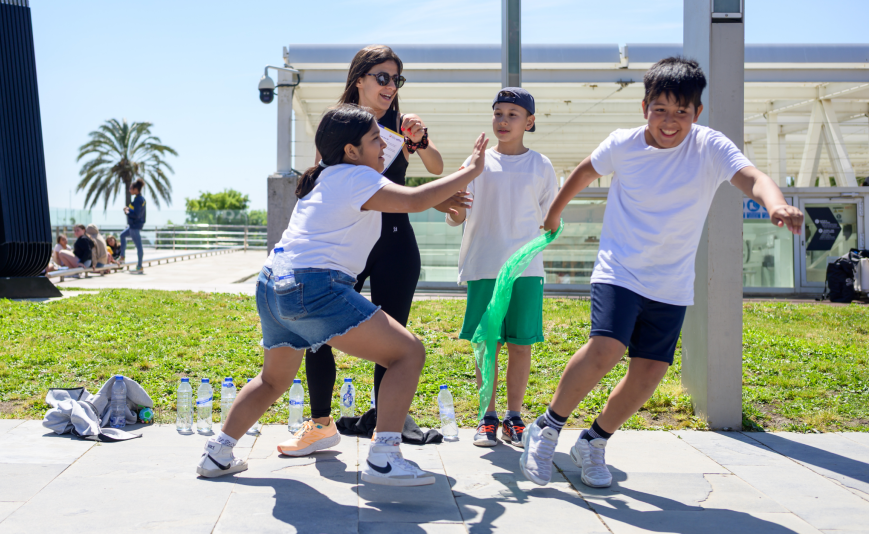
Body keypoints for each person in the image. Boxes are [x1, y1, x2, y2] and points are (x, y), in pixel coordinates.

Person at [520, 57, 803, 489]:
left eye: (681, 112)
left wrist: (775, 204)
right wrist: (554, 213)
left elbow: (752, 178)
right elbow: (584, 171)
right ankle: (547, 428)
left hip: (671, 280)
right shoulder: (623, 143)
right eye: (660, 110)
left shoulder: (710, 146)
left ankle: (593, 442)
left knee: (649, 372)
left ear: (697, 112)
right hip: (619, 268)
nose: (670, 122)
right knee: (606, 348)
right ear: (644, 107)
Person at [195, 105, 489, 486]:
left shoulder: (325, 175)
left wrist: (440, 196)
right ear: (351, 150)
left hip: (271, 284)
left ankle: (217, 454)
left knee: (272, 380)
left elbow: (404, 197)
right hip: (313, 286)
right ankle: (384, 457)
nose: (384, 146)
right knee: (408, 353)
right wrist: (471, 170)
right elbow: (413, 201)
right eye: (375, 140)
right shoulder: (357, 176)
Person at [278, 44, 469, 457]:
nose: (390, 85)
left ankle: (387, 430)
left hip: (395, 243)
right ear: (359, 78)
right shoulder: (338, 123)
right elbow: (331, 185)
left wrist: (421, 140)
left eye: (396, 79)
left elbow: (433, 169)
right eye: (382, 77)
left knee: (394, 341)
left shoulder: (401, 124)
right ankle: (320, 425)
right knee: (318, 334)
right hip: (346, 248)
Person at [445, 87, 557, 448]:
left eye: (512, 114)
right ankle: (487, 418)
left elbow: (551, 219)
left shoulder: (541, 165)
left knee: (521, 345)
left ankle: (514, 417)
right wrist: (453, 206)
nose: (503, 121)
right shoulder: (477, 161)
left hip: (526, 271)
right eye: (498, 113)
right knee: (487, 344)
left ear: (530, 121)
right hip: (484, 265)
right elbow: (457, 214)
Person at [120, 179, 146, 272]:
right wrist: (128, 209)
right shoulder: (139, 198)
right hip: (133, 226)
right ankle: (122, 257)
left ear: (136, 189)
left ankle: (139, 266)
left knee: (139, 246)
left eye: (131, 188)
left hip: (134, 227)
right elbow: (136, 212)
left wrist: (127, 212)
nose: (129, 190)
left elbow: (137, 215)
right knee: (122, 235)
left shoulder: (138, 200)